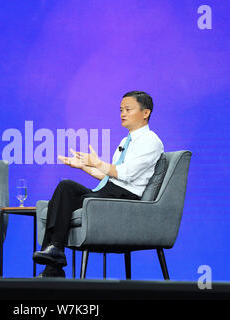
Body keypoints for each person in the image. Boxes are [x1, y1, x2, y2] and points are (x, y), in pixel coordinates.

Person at [32, 91, 164, 277]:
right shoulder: (125, 141)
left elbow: (126, 174)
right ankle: (55, 254)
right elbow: (109, 177)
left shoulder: (151, 141)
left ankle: (53, 265)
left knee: (68, 199)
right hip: (110, 190)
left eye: (128, 109)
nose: (122, 114)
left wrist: (97, 163)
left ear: (145, 113)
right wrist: (84, 167)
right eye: (120, 110)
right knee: (66, 186)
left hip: (124, 197)